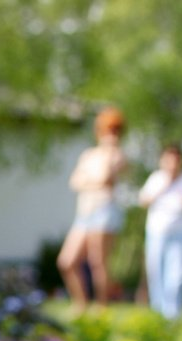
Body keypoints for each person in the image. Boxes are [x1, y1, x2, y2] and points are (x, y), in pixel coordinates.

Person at [57, 107, 128, 312]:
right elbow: (75, 182)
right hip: (85, 212)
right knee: (67, 261)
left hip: (105, 212)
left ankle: (101, 307)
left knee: (98, 262)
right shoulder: (89, 155)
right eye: (107, 129)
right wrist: (95, 182)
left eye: (115, 130)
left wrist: (108, 154)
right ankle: (80, 303)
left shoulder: (117, 156)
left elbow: (106, 177)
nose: (110, 134)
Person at [138, 144, 182, 320]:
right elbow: (143, 201)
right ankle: (157, 312)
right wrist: (164, 187)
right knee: (156, 272)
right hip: (157, 233)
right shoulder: (156, 179)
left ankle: (173, 314)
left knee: (177, 275)